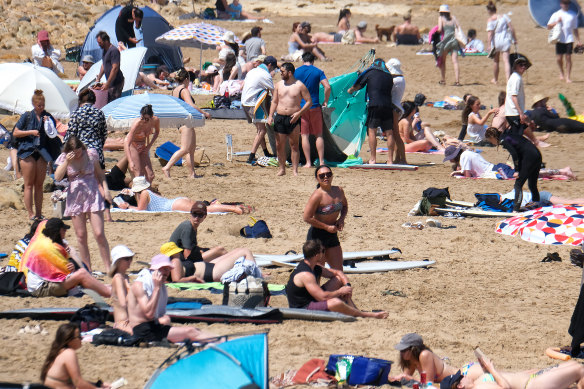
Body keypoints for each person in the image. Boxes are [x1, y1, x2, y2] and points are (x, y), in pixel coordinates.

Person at [286, 240, 387, 318]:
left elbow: (337, 273)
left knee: (338, 280)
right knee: (336, 302)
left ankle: (354, 309)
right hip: (302, 308)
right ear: (317, 255)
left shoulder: (314, 266)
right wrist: (340, 291)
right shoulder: (306, 274)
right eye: (323, 251)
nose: (324, 254)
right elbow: (322, 297)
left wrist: (347, 286)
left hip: (312, 299)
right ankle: (367, 315)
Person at [127, 253, 216, 343]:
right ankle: (224, 344)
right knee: (191, 332)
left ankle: (223, 341)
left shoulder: (160, 285)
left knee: (192, 330)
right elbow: (149, 314)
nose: (167, 272)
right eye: (164, 269)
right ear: (154, 270)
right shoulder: (140, 285)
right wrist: (156, 288)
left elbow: (157, 315)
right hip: (143, 332)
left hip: (152, 327)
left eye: (168, 269)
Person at [55, 136, 112, 272]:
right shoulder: (65, 158)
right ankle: (87, 268)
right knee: (81, 235)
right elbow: (57, 177)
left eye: (79, 150)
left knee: (99, 233)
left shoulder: (90, 154)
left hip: (92, 195)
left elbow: (100, 174)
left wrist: (106, 190)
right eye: (74, 151)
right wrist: (67, 162)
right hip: (75, 198)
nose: (78, 153)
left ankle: (108, 267)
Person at [23, 218, 111, 298]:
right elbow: (65, 273)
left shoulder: (47, 242)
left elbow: (62, 269)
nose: (65, 231)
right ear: (57, 231)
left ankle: (104, 289)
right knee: (82, 274)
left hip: (41, 285)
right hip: (41, 288)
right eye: (63, 229)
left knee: (82, 276)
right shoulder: (49, 247)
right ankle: (108, 292)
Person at [347, 58, 406, 165]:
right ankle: (390, 160)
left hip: (374, 105)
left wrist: (350, 90)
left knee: (372, 131)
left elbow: (358, 85)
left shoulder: (370, 71)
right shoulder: (389, 76)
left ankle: (373, 159)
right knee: (389, 133)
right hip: (388, 106)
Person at [12, 90, 60, 220]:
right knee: (28, 184)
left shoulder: (47, 116)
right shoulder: (26, 116)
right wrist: (30, 132)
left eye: (43, 105)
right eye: (39, 105)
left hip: (42, 151)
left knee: (39, 185)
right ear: (34, 104)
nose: (41, 107)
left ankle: (39, 212)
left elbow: (53, 133)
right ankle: (30, 213)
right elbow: (15, 132)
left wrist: (48, 123)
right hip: (27, 151)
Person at [440, 352, 584, 389]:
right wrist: (492, 369)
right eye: (461, 377)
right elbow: (505, 387)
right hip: (532, 386)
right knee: (578, 369)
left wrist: (486, 370)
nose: (464, 375)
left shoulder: (478, 382)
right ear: (460, 385)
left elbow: (507, 378)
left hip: (532, 378)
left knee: (572, 365)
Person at [163, 69, 211, 179]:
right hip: (185, 121)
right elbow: (191, 105)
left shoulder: (175, 90)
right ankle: (167, 167)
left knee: (191, 149)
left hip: (181, 120)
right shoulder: (184, 90)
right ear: (186, 79)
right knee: (185, 149)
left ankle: (192, 173)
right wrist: (204, 113)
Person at [120, 176, 252, 215]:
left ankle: (233, 209)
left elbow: (141, 210)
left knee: (204, 210)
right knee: (204, 207)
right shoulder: (148, 192)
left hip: (174, 205)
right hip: (177, 201)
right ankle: (232, 206)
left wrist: (128, 206)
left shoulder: (143, 194)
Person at [267, 62, 312, 176]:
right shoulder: (278, 85)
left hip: (293, 117)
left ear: (290, 72)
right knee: (279, 145)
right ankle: (282, 168)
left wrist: (299, 113)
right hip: (280, 116)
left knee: (294, 145)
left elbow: (309, 102)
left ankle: (295, 170)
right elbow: (275, 101)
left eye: (282, 71)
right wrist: (271, 115)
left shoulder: (299, 85)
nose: (280, 73)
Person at [303, 165, 347, 271]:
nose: (326, 177)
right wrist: (326, 227)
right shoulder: (317, 196)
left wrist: (341, 219)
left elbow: (345, 206)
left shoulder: (339, 190)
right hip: (317, 236)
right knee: (317, 271)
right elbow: (307, 217)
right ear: (317, 179)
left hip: (332, 234)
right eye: (322, 176)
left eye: (328, 174)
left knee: (338, 271)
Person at [41, 323, 112, 388]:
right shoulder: (69, 353)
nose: (82, 338)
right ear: (70, 340)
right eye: (79, 337)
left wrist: (98, 385)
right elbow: (78, 383)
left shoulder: (58, 352)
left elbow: (73, 382)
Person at [294, 52, 330, 167]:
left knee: (304, 135)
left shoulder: (296, 71)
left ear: (303, 59)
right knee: (318, 135)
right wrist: (325, 100)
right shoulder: (318, 71)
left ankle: (308, 162)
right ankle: (322, 161)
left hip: (302, 106)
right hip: (314, 105)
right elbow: (327, 87)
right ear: (313, 60)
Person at [162, 241, 259, 283]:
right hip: (213, 272)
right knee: (245, 251)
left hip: (211, 268)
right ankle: (257, 276)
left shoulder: (171, 263)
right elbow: (177, 280)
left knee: (237, 251)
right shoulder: (175, 261)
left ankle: (254, 272)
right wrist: (193, 278)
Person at [241, 56, 278, 164]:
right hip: (254, 104)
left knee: (259, 130)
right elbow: (274, 92)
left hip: (245, 102)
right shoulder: (265, 75)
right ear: (270, 65)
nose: (273, 71)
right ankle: (251, 157)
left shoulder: (253, 70)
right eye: (273, 68)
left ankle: (266, 152)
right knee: (262, 130)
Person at [388, 333, 462, 384]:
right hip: (450, 383)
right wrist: (390, 378)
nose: (401, 353)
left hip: (461, 378)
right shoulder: (411, 359)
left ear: (413, 349)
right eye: (401, 350)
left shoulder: (425, 355)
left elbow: (428, 383)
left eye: (404, 350)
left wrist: (407, 377)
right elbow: (404, 380)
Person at [64, 89, 108, 169]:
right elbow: (104, 134)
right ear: (94, 101)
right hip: (96, 151)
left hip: (80, 153)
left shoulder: (76, 113)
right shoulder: (99, 113)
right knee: (98, 179)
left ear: (80, 101)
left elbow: (70, 135)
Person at [547, 0, 581, 83]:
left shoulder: (573, 15)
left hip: (569, 39)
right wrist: (557, 22)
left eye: (567, 3)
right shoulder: (556, 14)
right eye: (564, 3)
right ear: (561, 4)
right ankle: (561, 72)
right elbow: (548, 26)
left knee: (568, 58)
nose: (566, 5)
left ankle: (568, 77)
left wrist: (578, 40)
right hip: (559, 39)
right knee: (559, 59)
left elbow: (575, 29)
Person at [124, 104, 159, 183]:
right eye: (142, 118)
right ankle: (140, 194)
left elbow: (157, 132)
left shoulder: (155, 120)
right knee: (139, 174)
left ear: (152, 117)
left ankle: (147, 193)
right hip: (132, 144)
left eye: (146, 119)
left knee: (150, 175)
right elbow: (127, 142)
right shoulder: (138, 123)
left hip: (143, 145)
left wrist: (149, 146)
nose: (144, 121)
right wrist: (130, 161)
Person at [486, 1, 517, 84]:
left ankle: (495, 79)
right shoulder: (505, 17)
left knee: (496, 61)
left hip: (496, 42)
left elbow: (490, 34)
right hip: (505, 40)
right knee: (506, 61)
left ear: (489, 11)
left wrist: (489, 45)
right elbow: (511, 28)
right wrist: (515, 39)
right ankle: (508, 80)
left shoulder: (490, 20)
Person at [108, 245, 134, 334]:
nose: (130, 261)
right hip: (122, 323)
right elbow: (123, 303)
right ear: (118, 261)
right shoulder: (118, 278)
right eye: (127, 259)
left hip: (130, 321)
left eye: (131, 258)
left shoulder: (125, 276)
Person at [95, 31, 125, 103]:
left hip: (116, 82)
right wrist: (98, 78)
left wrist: (108, 84)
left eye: (100, 42)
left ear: (106, 41)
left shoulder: (114, 51)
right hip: (110, 82)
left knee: (114, 102)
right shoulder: (105, 51)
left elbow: (115, 68)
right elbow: (104, 64)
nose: (99, 45)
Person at [436, 5, 462, 86]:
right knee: (455, 61)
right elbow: (458, 27)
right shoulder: (453, 18)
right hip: (454, 41)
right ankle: (457, 81)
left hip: (446, 41)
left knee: (443, 61)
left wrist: (434, 32)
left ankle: (443, 80)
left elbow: (440, 29)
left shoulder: (441, 18)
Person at [505, 55, 531, 137]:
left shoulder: (515, 77)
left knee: (515, 135)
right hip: (514, 112)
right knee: (517, 137)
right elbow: (514, 97)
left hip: (512, 112)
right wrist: (521, 113)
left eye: (525, 65)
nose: (523, 67)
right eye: (521, 65)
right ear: (515, 66)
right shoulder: (516, 78)